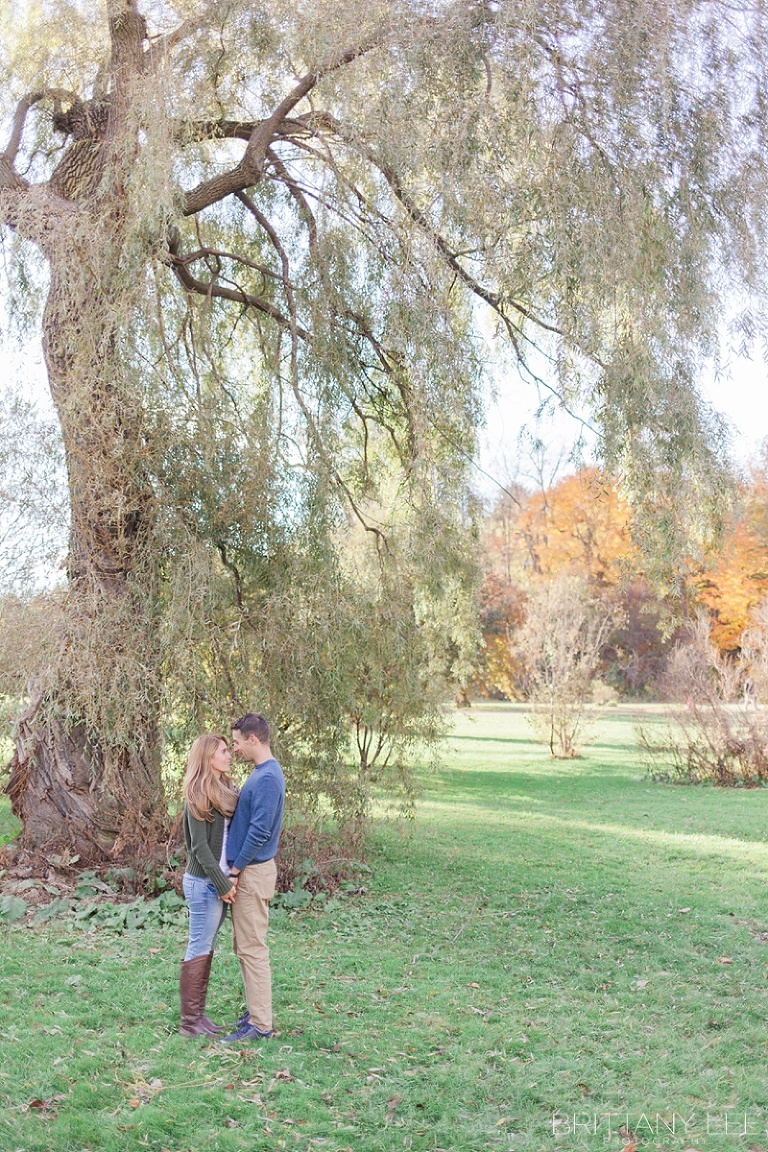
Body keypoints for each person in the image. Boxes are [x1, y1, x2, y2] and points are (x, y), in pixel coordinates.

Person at [221, 712, 285, 1043]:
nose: (235, 749)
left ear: (253, 740)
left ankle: (261, 1025)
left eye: (237, 743)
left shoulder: (268, 778)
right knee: (245, 946)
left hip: (253, 872)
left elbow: (260, 831)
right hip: (249, 871)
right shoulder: (261, 773)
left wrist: (235, 870)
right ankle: (256, 1010)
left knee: (252, 948)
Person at [179, 733, 239, 1037]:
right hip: (204, 883)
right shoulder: (197, 793)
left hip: (217, 881)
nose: (229, 755)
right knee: (199, 946)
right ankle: (190, 1023)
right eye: (223, 751)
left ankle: (198, 1017)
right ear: (208, 757)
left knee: (206, 947)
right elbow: (199, 848)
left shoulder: (226, 789)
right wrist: (222, 884)